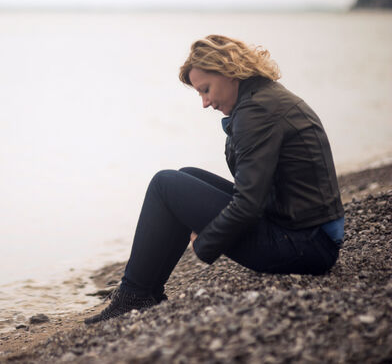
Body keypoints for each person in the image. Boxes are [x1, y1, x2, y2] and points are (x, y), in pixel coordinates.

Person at [85, 34, 345, 325]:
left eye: (205, 90)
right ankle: (145, 291)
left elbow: (247, 205)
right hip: (308, 235)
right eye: (200, 94)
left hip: (304, 245)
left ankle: (133, 295)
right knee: (185, 176)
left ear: (229, 71)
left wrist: (205, 243)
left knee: (164, 184)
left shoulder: (256, 111)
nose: (205, 103)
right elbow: (255, 194)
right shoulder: (263, 97)